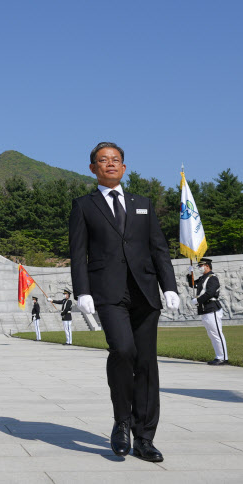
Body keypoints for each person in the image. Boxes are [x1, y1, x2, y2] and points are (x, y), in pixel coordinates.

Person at [69, 142, 179, 463]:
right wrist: (82, 291)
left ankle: (145, 438)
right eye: (103, 160)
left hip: (145, 292)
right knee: (123, 350)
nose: (111, 164)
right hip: (108, 293)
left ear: (124, 167)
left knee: (146, 363)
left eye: (116, 160)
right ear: (93, 168)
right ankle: (122, 422)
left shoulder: (142, 204)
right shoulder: (84, 206)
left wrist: (169, 287)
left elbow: (159, 248)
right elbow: (78, 252)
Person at [187, 258, 228, 365]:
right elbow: (192, 285)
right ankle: (218, 356)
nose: (199, 268)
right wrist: (190, 274)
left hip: (212, 308)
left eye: (201, 266)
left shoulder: (212, 278)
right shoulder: (203, 278)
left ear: (207, 266)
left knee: (217, 334)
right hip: (205, 309)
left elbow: (210, 293)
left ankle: (223, 358)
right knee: (212, 334)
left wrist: (197, 300)